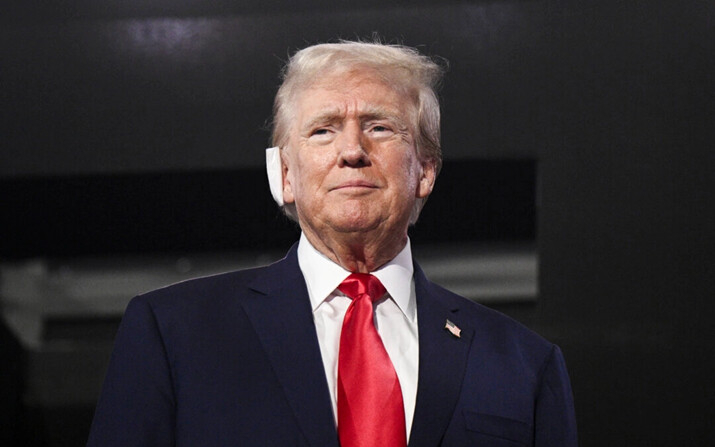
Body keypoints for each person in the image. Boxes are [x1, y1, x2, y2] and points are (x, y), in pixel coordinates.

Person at [87, 40, 577, 447]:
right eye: (322, 131)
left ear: (425, 170)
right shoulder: (174, 333)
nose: (351, 152)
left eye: (379, 127)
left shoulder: (523, 363)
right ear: (284, 174)